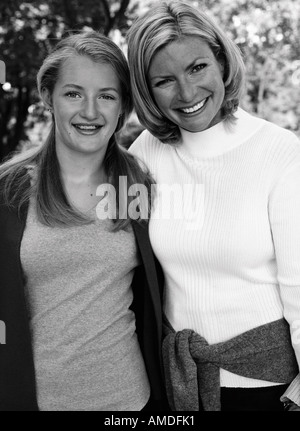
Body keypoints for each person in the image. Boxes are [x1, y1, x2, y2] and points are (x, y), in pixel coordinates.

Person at [127, 0, 300, 411]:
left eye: (197, 67)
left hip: (269, 386)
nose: (187, 94)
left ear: (221, 61)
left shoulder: (279, 152)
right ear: (145, 89)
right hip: (177, 379)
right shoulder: (144, 153)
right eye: (163, 80)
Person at [0, 31, 167, 411]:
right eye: (73, 93)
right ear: (48, 97)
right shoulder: (8, 190)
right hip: (35, 400)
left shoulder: (138, 184)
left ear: (122, 105)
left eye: (106, 96)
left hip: (131, 402)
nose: (90, 112)